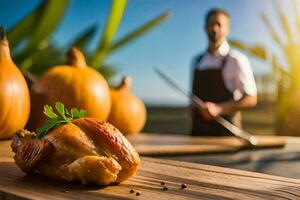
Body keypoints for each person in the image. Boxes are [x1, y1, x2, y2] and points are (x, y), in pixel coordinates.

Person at [190, 8, 257, 136]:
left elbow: (251, 98)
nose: (214, 28)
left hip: (227, 136)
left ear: (227, 29)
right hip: (197, 135)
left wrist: (219, 109)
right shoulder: (196, 62)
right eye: (211, 24)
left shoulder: (236, 60)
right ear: (205, 28)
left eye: (219, 24)